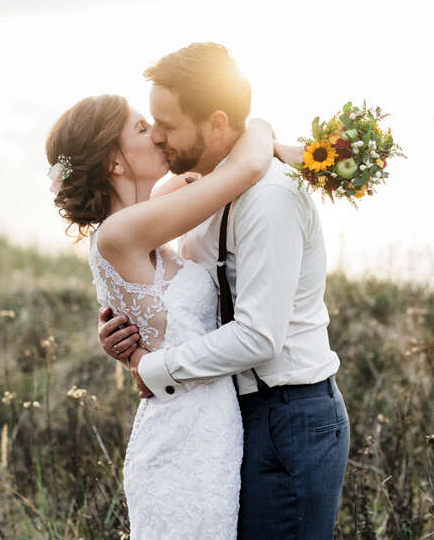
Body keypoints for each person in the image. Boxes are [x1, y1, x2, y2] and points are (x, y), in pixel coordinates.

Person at [98, 42, 350, 539]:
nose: (159, 138)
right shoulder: (204, 189)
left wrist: (153, 367)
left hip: (289, 418)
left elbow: (258, 337)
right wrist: (130, 320)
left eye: (166, 124)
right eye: (150, 124)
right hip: (229, 414)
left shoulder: (269, 198)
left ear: (215, 123)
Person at [46, 92, 279, 538]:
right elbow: (245, 167)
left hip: (212, 431)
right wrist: (264, 128)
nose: (156, 135)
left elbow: (225, 164)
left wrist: (279, 150)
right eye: (139, 129)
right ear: (114, 162)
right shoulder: (120, 232)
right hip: (182, 440)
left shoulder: (146, 213)